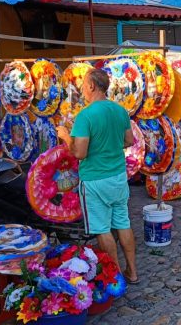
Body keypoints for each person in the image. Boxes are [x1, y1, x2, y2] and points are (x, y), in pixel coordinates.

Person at [57, 69, 139, 284]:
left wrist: (65, 136)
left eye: (84, 84)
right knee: (123, 222)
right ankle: (133, 271)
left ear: (92, 85)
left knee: (102, 229)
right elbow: (129, 141)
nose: (83, 89)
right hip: (118, 177)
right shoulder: (120, 111)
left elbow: (79, 153)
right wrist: (109, 146)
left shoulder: (85, 115)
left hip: (95, 179)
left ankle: (116, 276)